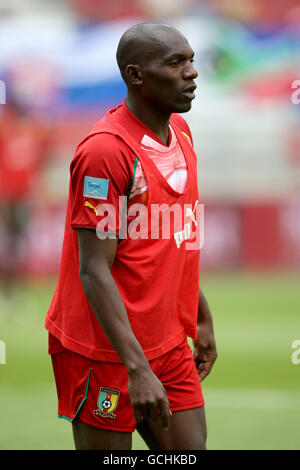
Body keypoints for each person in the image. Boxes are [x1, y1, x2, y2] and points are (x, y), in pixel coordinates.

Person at [45, 22, 217, 450]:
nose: (191, 72)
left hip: (168, 343)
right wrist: (136, 368)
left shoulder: (181, 133)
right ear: (135, 75)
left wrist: (200, 316)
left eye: (192, 60)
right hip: (103, 349)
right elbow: (93, 270)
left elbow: (173, 238)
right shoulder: (106, 152)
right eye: (175, 62)